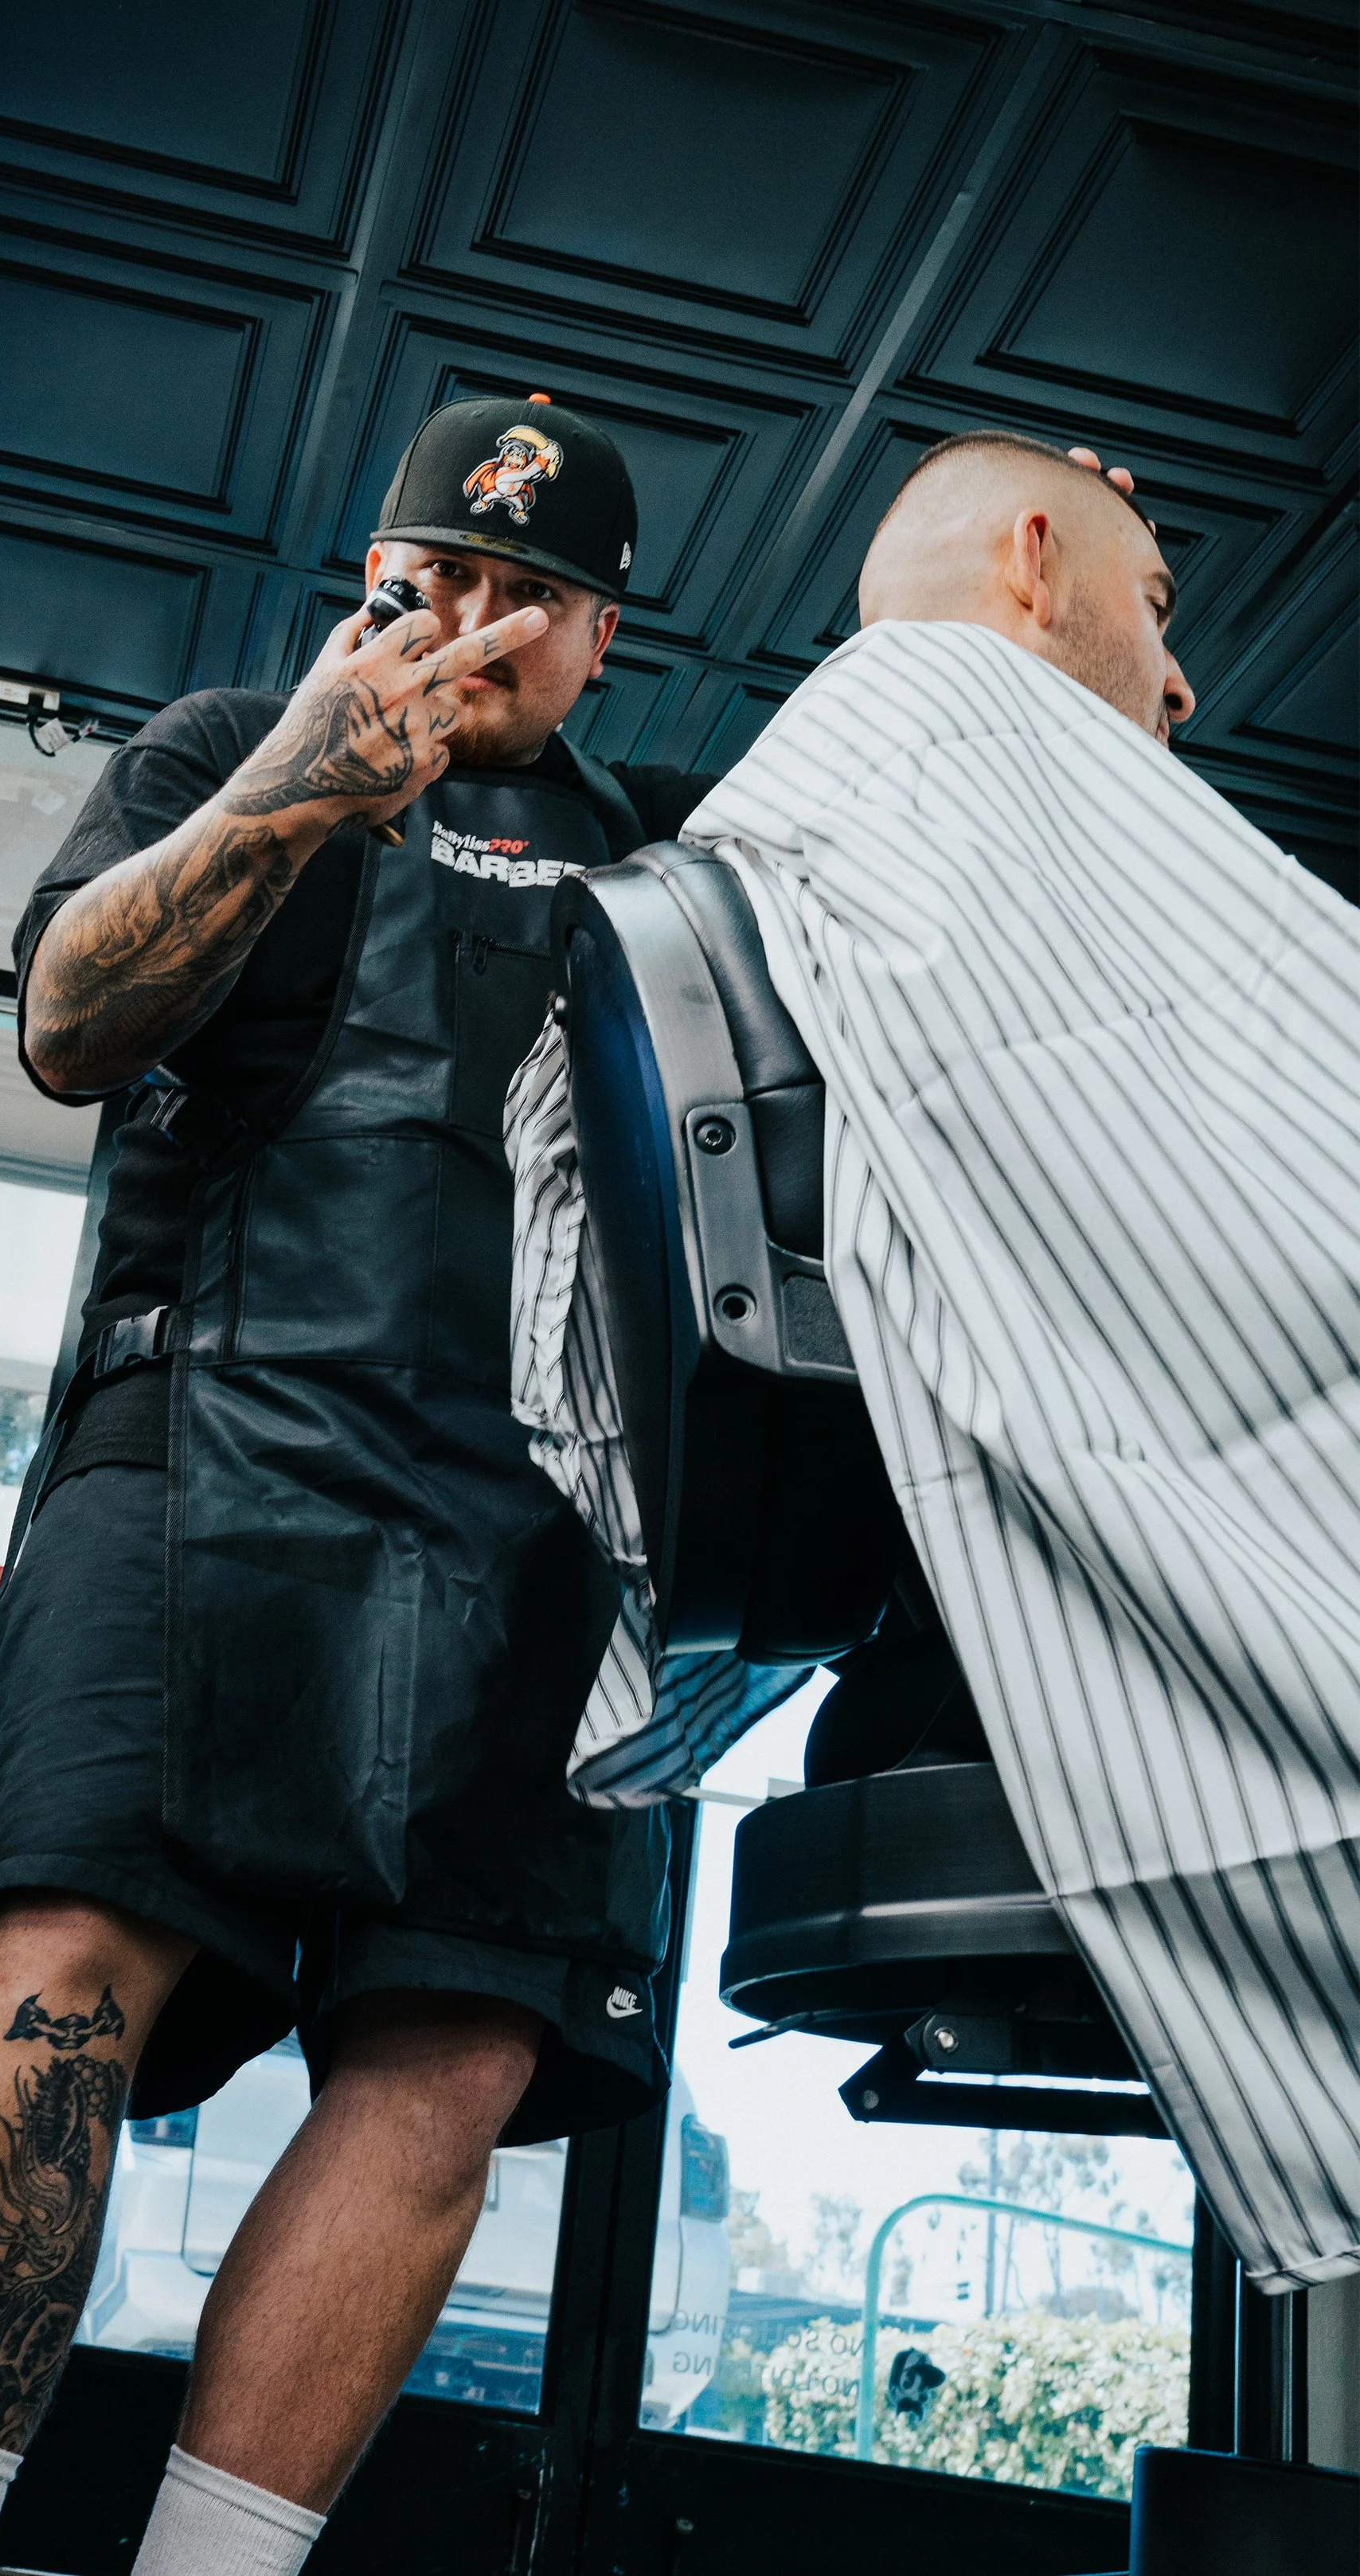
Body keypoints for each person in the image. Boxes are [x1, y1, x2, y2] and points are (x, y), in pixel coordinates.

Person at [0, 394, 721, 2576]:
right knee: (53, 1960)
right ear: (373, 575)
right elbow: (68, 1021)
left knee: (456, 2058)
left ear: (604, 634)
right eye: (445, 575)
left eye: (538, 594)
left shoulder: (687, 864)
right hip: (200, 1441)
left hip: (542, 1533)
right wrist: (306, 783)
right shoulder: (219, 745)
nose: (485, 622)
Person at [510, 428, 1360, 2297]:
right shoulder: (964, 740)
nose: (1185, 677)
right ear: (1031, 564)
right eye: (1156, 609)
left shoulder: (813, 805)